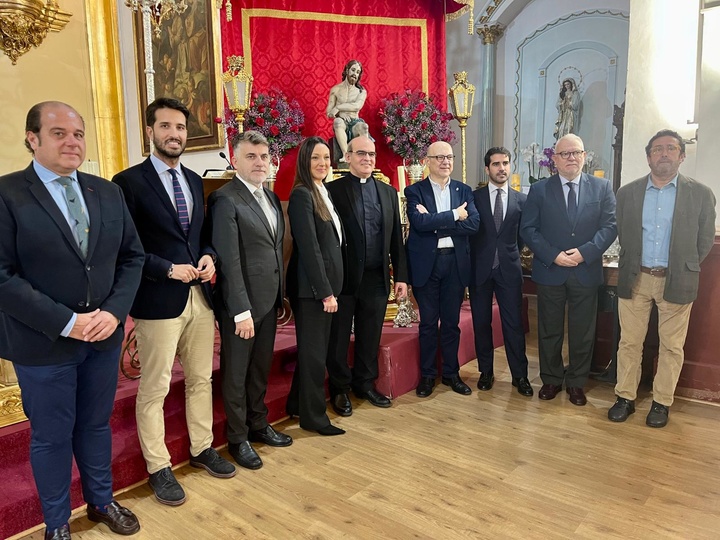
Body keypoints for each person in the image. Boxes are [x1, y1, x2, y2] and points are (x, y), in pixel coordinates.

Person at [0, 101, 144, 539]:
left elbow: (132, 258)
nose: (71, 142)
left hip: (102, 338)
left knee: (96, 425)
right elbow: (2, 276)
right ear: (33, 139)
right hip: (43, 344)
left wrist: (114, 312)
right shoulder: (7, 194)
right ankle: (57, 523)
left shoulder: (108, 192)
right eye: (59, 133)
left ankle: (101, 502)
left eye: (78, 133)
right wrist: (68, 322)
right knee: (51, 437)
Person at [113, 98, 236, 506]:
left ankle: (202, 449)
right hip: (157, 298)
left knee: (201, 378)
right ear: (150, 131)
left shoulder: (195, 179)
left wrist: (208, 256)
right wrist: (167, 268)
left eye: (181, 127)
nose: (175, 134)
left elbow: (199, 235)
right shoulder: (127, 182)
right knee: (156, 387)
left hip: (199, 297)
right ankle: (158, 467)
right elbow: (125, 247)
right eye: (166, 126)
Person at [607, 129, 716, 427]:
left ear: (681, 156)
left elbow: (705, 239)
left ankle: (661, 402)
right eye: (657, 149)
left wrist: (683, 265)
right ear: (648, 157)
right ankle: (625, 397)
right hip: (636, 277)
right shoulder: (627, 192)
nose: (664, 153)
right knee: (629, 342)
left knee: (671, 346)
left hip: (676, 279)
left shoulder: (701, 194)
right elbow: (624, 233)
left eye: (670, 148)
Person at [208, 131, 292, 470]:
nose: (259, 163)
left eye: (263, 157)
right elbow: (228, 259)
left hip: (268, 301)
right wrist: (240, 309)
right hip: (240, 306)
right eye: (251, 157)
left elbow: (273, 250)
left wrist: (279, 295)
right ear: (236, 159)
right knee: (236, 374)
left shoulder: (269, 197)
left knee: (259, 370)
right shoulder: (225, 199)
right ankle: (238, 438)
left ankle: (259, 424)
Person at [520, 134, 617, 406]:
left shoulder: (602, 187)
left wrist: (584, 253)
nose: (571, 158)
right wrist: (554, 255)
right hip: (551, 269)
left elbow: (610, 227)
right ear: (555, 159)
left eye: (576, 152)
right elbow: (528, 229)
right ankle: (551, 378)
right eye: (565, 154)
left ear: (584, 156)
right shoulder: (539, 190)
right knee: (549, 329)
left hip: (585, 270)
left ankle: (576, 382)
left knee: (583, 330)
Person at [325, 136, 408, 415]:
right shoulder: (332, 190)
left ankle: (364, 383)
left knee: (370, 334)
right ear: (347, 157)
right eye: (361, 153)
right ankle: (339, 389)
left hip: (376, 277)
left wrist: (402, 277)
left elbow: (397, 238)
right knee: (338, 337)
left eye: (372, 154)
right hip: (344, 278)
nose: (368, 159)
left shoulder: (387, 192)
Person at [405, 141, 479, 397]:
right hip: (428, 264)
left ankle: (450, 373)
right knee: (427, 323)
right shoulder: (414, 190)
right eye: (440, 157)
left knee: (451, 323)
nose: (446, 162)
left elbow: (474, 225)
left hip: (455, 263)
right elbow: (418, 222)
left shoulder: (464, 190)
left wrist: (436, 222)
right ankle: (427, 376)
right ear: (427, 162)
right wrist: (454, 215)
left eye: (449, 157)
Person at [285, 137, 346, 436]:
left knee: (315, 350)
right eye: (315, 158)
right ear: (304, 162)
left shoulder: (323, 191)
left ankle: (297, 404)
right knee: (313, 355)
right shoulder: (302, 195)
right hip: (311, 290)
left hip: (325, 286)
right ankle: (313, 417)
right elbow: (309, 249)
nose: (322, 163)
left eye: (326, 158)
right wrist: (324, 291)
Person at [469, 147, 533, 397]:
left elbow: (520, 239)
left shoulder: (522, 200)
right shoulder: (475, 198)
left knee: (514, 325)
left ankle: (520, 376)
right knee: (481, 323)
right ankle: (486, 372)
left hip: (509, 270)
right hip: (480, 271)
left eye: (505, 163)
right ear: (487, 169)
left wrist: (507, 255)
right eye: (496, 164)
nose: (502, 168)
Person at [326, 60, 368, 162]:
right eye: (353, 70)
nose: (355, 74)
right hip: (342, 123)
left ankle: (364, 157)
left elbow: (357, 106)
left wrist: (338, 108)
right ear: (347, 70)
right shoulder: (336, 89)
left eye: (358, 72)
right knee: (338, 122)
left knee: (363, 127)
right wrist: (339, 114)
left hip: (355, 123)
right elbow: (329, 113)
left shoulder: (361, 91)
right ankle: (346, 155)